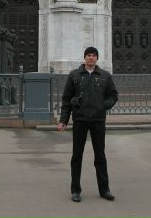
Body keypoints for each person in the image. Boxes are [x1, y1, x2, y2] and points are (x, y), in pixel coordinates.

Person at [57, 47, 118, 203]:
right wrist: (63, 120)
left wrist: (104, 105)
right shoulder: (74, 75)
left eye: (94, 55)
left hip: (98, 120)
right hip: (80, 120)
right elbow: (66, 100)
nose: (91, 58)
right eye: (89, 55)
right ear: (84, 57)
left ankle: (104, 190)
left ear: (97, 58)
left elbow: (113, 95)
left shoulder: (105, 76)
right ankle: (75, 190)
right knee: (77, 156)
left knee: (100, 156)